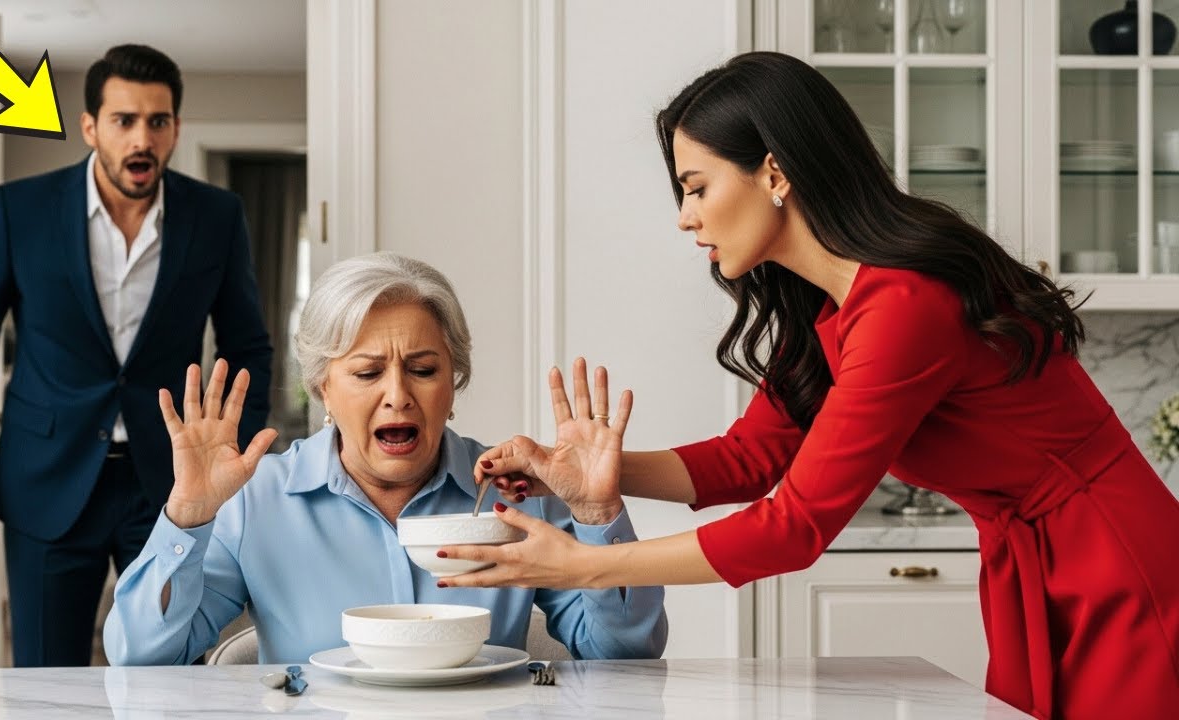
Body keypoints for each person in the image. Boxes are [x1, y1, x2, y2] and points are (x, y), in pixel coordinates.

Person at [437, 52, 1179, 720]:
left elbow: (794, 527)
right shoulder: (831, 308)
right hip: (1039, 565)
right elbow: (749, 460)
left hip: (1115, 563)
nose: (684, 216)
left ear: (774, 171)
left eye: (696, 187)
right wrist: (583, 474)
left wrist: (584, 564)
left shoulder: (904, 305)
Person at [102, 252, 667, 665]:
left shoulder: (516, 492)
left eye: (423, 369)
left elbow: (625, 653)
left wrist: (597, 512)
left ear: (454, 381)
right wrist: (187, 517)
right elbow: (142, 655)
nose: (398, 395)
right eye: (368, 373)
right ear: (323, 387)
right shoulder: (256, 501)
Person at [0, 44, 273, 667]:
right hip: (46, 479)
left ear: (175, 128)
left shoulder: (217, 215)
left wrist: (236, 462)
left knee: (170, 666)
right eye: (123, 120)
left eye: (158, 121)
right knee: (43, 677)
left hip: (171, 484)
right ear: (90, 126)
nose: (142, 138)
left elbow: (247, 344)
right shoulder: (22, 209)